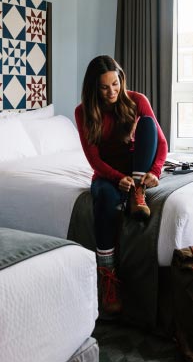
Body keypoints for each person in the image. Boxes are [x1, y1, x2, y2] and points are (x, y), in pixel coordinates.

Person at [75, 55, 168, 316]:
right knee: (104, 200)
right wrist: (117, 178)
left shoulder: (136, 100)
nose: (112, 91)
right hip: (107, 175)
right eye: (104, 87)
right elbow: (94, 160)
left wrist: (154, 172)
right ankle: (108, 275)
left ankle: (138, 192)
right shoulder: (83, 111)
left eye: (115, 84)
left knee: (148, 123)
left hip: (137, 169)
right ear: (94, 87)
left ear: (121, 79)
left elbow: (161, 143)